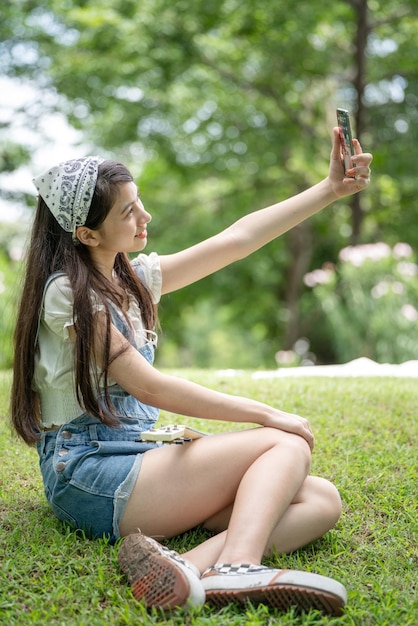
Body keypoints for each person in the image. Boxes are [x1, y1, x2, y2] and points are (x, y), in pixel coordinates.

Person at [11, 128, 372, 615]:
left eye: (139, 203)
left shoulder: (129, 279)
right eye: (128, 212)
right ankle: (239, 567)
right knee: (281, 444)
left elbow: (237, 240)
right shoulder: (66, 294)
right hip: (89, 474)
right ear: (87, 234)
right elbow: (147, 385)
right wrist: (267, 414)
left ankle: (186, 566)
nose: (145, 217)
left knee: (320, 501)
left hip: (134, 460)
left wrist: (330, 189)